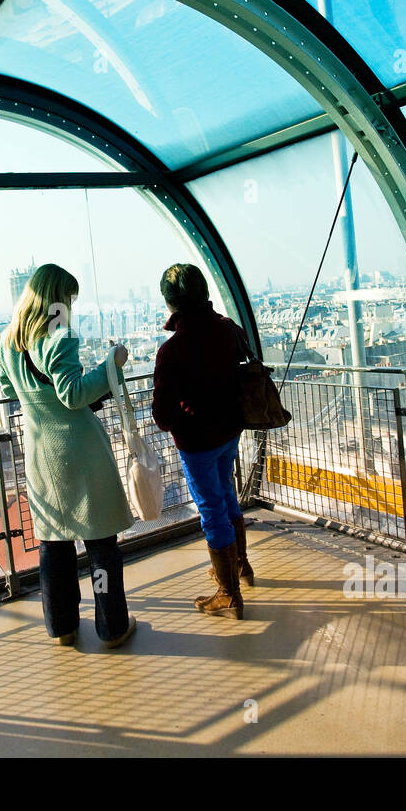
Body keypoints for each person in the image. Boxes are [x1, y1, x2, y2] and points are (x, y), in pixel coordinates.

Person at [0, 263, 138, 648]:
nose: (71, 306)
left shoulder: (7, 341)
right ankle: (111, 627)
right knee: (100, 544)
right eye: (70, 298)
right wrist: (113, 365)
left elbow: (9, 387)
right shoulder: (59, 337)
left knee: (53, 545)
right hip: (79, 450)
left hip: (41, 453)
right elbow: (73, 394)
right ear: (58, 298)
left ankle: (62, 626)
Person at [151, 262, 252, 620]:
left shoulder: (173, 350)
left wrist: (183, 414)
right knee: (226, 495)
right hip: (230, 430)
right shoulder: (227, 329)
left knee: (211, 510)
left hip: (198, 441)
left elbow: (163, 415)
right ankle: (239, 565)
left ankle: (229, 593)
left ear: (170, 303)